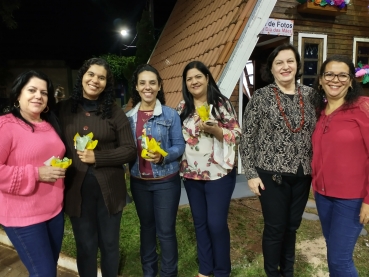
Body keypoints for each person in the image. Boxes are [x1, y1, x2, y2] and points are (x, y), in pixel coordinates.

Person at [239, 43, 316, 277]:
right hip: (271, 175)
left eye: (290, 61)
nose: (285, 67)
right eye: (279, 63)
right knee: (275, 228)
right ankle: (272, 273)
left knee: (292, 228)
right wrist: (250, 173)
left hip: (303, 175)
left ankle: (288, 272)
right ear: (271, 69)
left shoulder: (311, 96)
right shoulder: (261, 97)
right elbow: (247, 138)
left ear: (297, 65)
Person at [57, 58, 136, 277]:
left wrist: (98, 157)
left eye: (101, 78)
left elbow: (130, 149)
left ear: (106, 84)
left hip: (109, 191)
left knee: (109, 245)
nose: (95, 80)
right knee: (85, 246)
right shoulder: (63, 110)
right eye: (91, 74)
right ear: (82, 76)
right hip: (76, 191)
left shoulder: (114, 112)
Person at [176, 61, 241, 277]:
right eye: (189, 79)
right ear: (186, 83)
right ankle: (206, 269)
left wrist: (218, 132)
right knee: (200, 223)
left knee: (216, 223)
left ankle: (222, 271)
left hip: (219, 173)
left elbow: (237, 134)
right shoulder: (183, 108)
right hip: (191, 174)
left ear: (207, 78)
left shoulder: (220, 103)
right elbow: (177, 139)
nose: (194, 81)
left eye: (198, 77)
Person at [0, 70, 66, 276]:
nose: (38, 96)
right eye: (32, 90)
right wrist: (37, 174)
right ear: (18, 94)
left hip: (54, 211)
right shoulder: (6, 125)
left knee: (48, 269)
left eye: (44, 92)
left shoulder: (49, 123)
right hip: (24, 216)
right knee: (44, 273)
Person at [311, 55, 369, 277]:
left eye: (342, 75)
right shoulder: (320, 112)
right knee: (335, 253)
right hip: (323, 196)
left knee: (339, 260)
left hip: (352, 199)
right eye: (329, 74)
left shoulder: (362, 108)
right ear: (321, 80)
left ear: (351, 80)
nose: (336, 79)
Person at [126, 64, 185, 277]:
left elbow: (179, 146)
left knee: (166, 231)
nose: (147, 87)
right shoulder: (129, 118)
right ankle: (149, 272)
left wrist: (163, 155)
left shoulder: (170, 115)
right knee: (147, 229)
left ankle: (169, 274)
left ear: (159, 86)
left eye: (152, 82)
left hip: (166, 182)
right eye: (142, 83)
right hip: (139, 182)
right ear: (137, 87)